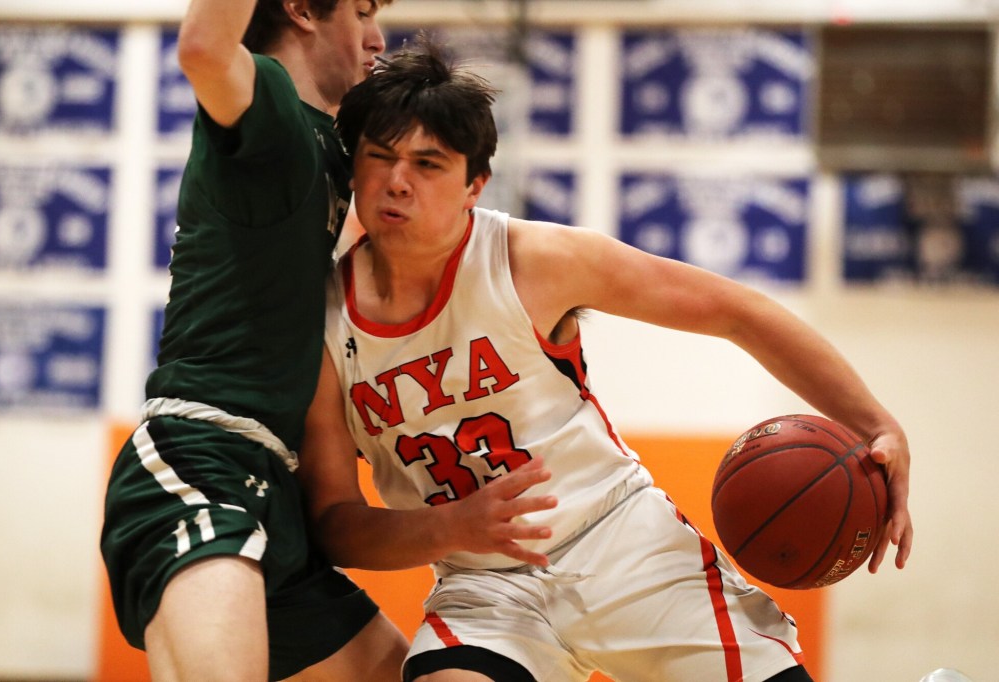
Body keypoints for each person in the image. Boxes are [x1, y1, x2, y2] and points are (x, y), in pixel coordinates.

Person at [299, 40, 914, 682]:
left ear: (473, 185)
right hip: (486, 590)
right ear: (354, 170)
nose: (398, 180)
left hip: (622, 546)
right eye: (381, 156)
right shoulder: (319, 324)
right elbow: (336, 523)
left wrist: (876, 424)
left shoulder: (531, 260)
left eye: (428, 164)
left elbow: (738, 312)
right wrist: (448, 527)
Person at [99, 1, 410, 680]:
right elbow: (205, 47)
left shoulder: (336, 148)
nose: (379, 37)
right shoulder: (271, 104)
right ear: (301, 10)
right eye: (360, 11)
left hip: (276, 488)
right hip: (199, 461)